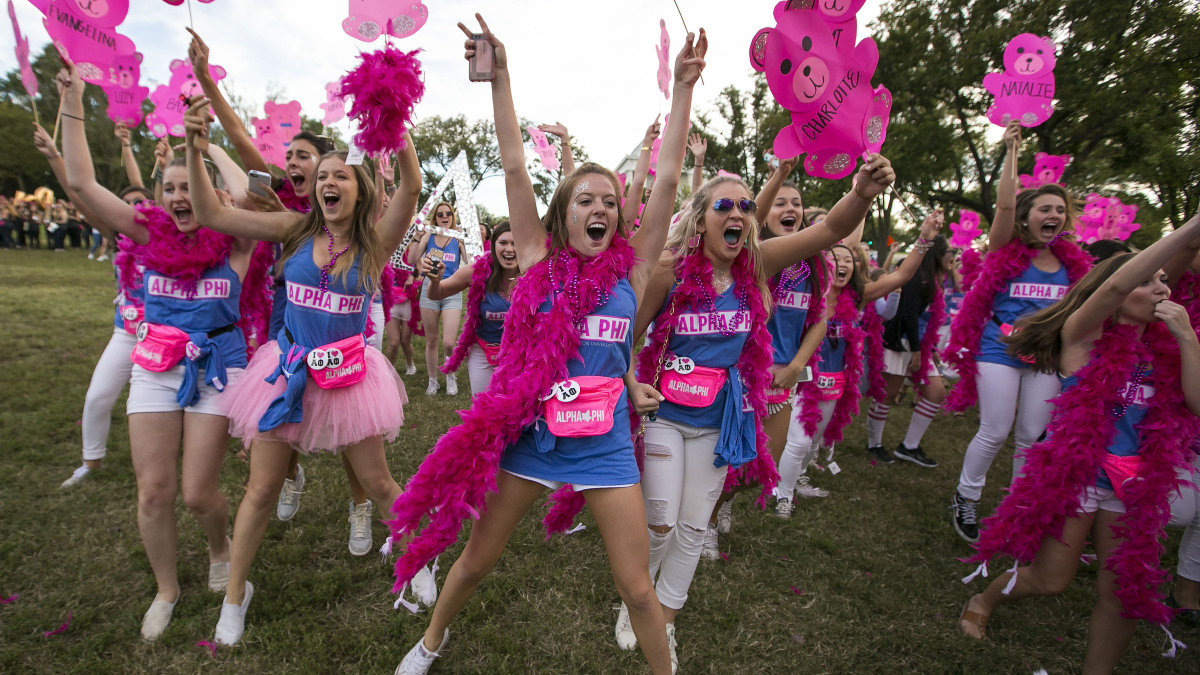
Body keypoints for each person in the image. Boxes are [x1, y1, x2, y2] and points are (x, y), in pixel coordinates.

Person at [390, 16, 704, 675]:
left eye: (610, 202)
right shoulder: (534, 258)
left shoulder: (633, 270)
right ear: (563, 215)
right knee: (477, 559)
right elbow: (511, 164)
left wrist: (682, 91)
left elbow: (670, 180)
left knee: (637, 587)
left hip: (605, 443)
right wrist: (501, 80)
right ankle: (429, 642)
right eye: (585, 199)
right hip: (530, 435)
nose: (601, 208)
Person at [618, 148, 897, 661]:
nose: (738, 214)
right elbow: (624, 341)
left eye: (746, 206)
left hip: (721, 421)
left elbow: (830, 229)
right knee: (659, 519)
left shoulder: (759, 265)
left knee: (693, 524)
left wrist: (861, 192)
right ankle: (637, 603)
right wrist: (633, 385)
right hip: (665, 416)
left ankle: (666, 619)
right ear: (701, 219)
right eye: (725, 206)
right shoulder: (669, 271)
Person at [178, 96, 419, 646]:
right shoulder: (292, 228)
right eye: (322, 176)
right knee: (261, 490)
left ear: (358, 188)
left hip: (349, 380)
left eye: (340, 176)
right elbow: (213, 214)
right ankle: (237, 595)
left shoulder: (373, 245)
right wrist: (197, 151)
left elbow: (411, 188)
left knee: (379, 483)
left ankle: (418, 560)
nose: (327, 182)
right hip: (285, 372)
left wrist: (396, 125)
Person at [57, 62, 269, 642]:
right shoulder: (146, 235)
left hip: (217, 370)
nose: (180, 196)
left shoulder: (237, 235)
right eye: (170, 188)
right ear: (158, 198)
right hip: (154, 367)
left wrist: (204, 147)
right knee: (154, 490)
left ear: (209, 193)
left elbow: (254, 189)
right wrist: (73, 101)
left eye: (189, 186)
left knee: (199, 492)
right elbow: (80, 185)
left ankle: (220, 546)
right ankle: (167, 589)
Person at [960, 212, 1200, 675]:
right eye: (1148, 281)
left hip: (1136, 485)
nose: (1161, 289)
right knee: (1050, 580)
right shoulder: (1084, 337)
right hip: (1079, 476)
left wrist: (1188, 339)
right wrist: (1191, 228)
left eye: (1166, 281)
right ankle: (983, 597)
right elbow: (1109, 289)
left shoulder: (1167, 347)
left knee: (1123, 594)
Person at [944, 122, 1093, 543]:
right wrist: (1011, 152)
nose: (1054, 216)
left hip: (1046, 357)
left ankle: (1016, 509)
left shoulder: (1071, 264)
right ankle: (966, 498)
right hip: (998, 350)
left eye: (1060, 211)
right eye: (1045, 209)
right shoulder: (1005, 248)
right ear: (1026, 218)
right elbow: (1005, 207)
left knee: (1032, 436)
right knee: (995, 429)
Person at [866, 228, 951, 467]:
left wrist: (929, 346)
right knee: (887, 395)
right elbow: (909, 314)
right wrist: (916, 350)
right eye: (949, 251)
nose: (953, 254)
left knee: (936, 393)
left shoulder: (936, 277)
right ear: (937, 254)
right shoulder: (916, 274)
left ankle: (909, 446)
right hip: (901, 342)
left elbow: (929, 318)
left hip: (920, 344)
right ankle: (874, 444)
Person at [430, 222, 518, 396]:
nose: (509, 249)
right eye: (503, 243)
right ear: (493, 246)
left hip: (518, 353)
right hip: (482, 350)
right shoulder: (477, 271)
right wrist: (434, 281)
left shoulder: (533, 274)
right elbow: (437, 293)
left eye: (515, 243)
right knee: (483, 407)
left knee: (515, 410)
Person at [410, 201, 474, 396]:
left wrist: (464, 242)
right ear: (435, 218)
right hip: (430, 290)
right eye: (440, 214)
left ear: (453, 217)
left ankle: (450, 374)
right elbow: (413, 259)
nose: (445, 217)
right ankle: (432, 381)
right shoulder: (428, 236)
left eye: (448, 214)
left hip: (451, 291)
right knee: (431, 340)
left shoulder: (457, 238)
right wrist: (417, 237)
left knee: (448, 342)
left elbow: (470, 263)